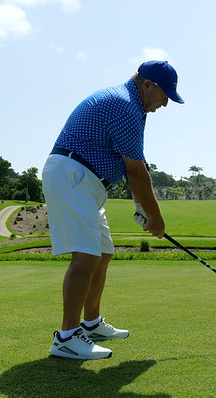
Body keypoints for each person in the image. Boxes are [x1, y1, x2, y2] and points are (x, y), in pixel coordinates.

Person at [42, 60, 184, 359]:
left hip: (86, 180)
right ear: (148, 85)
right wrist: (156, 217)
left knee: (103, 252)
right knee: (86, 255)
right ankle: (67, 337)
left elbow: (134, 164)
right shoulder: (124, 105)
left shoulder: (132, 105)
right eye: (164, 96)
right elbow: (136, 172)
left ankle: (91, 323)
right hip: (74, 174)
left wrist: (140, 207)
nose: (165, 104)